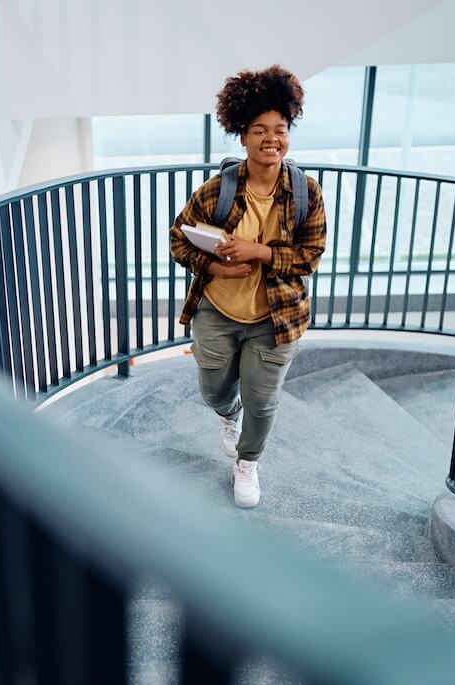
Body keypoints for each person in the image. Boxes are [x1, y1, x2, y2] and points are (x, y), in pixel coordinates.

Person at [169, 65, 327, 509]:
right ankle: (227, 414)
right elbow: (178, 238)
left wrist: (259, 253)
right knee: (214, 390)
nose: (271, 138)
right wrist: (213, 267)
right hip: (217, 313)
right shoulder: (217, 191)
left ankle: (248, 462)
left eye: (280, 129)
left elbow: (309, 257)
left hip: (276, 320)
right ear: (242, 135)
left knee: (262, 401)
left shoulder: (305, 193)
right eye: (259, 130)